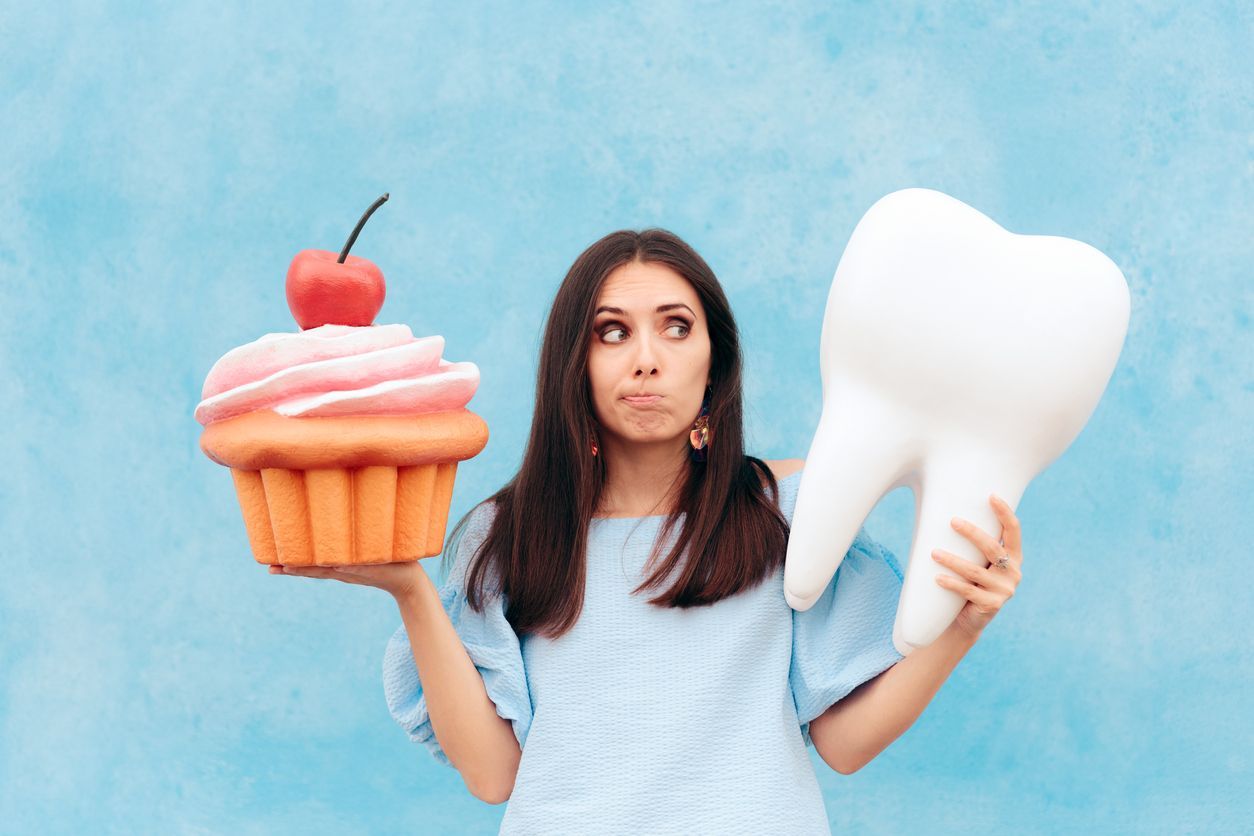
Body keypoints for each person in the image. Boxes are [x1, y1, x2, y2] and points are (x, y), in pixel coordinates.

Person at [270, 228, 1025, 833]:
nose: (646, 361)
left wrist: (962, 625)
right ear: (576, 363)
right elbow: (493, 775)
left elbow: (843, 744)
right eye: (611, 332)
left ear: (712, 361)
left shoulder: (789, 512)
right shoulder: (507, 536)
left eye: (675, 328)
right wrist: (408, 589)